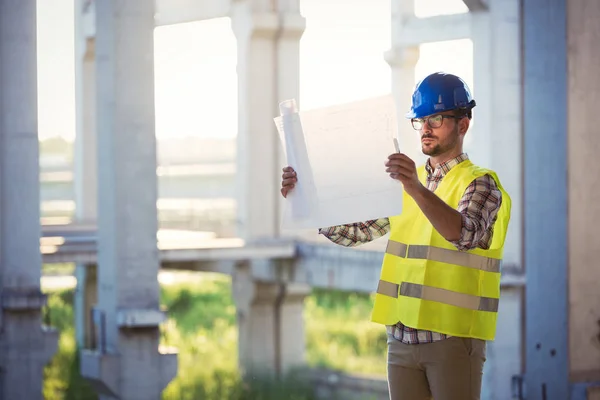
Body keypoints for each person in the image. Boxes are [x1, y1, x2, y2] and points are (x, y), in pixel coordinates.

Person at [280, 72, 512, 400]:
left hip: (453, 340)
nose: (426, 128)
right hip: (401, 340)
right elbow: (356, 232)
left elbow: (464, 234)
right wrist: (307, 199)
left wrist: (415, 189)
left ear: (463, 124)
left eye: (437, 118)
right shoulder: (408, 182)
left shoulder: (479, 184)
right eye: (421, 120)